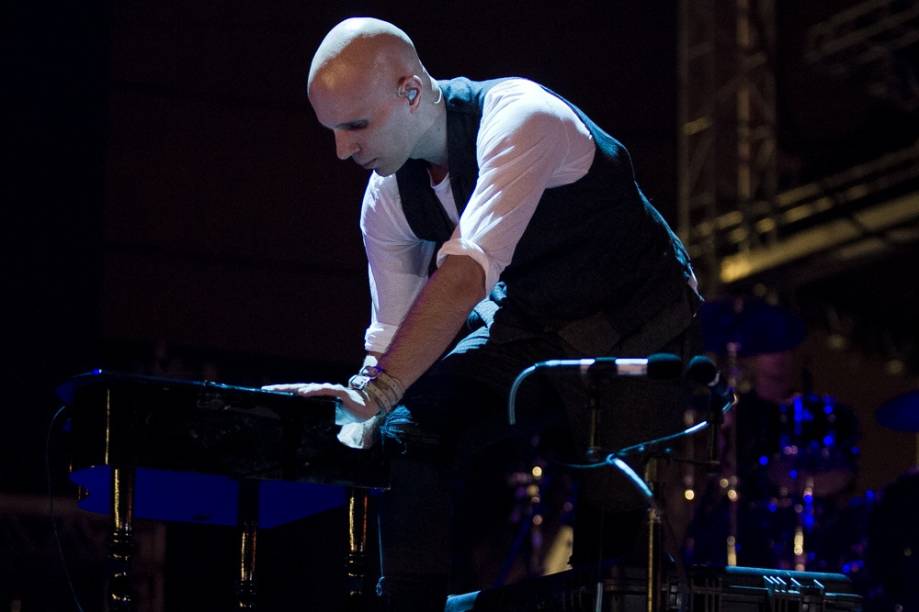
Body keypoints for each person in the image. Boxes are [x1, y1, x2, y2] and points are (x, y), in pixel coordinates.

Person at [265, 17, 702, 611]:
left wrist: (375, 391)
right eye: (332, 132)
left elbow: (465, 277)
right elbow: (392, 348)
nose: (343, 150)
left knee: (611, 549)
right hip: (530, 327)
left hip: (635, 328)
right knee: (408, 433)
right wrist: (356, 408)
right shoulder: (388, 198)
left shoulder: (521, 117)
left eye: (355, 126)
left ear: (411, 91)